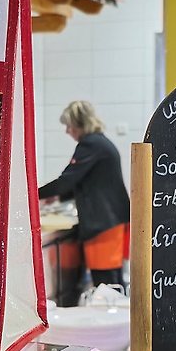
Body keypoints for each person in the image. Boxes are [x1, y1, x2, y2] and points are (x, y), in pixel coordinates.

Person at [38, 101, 131, 292]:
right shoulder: (100, 142)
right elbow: (86, 180)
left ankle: (109, 312)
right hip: (112, 219)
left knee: (106, 284)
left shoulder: (91, 144)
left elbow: (67, 180)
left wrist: (33, 194)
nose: (67, 131)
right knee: (112, 280)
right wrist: (56, 196)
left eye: (68, 126)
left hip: (104, 223)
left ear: (79, 124)